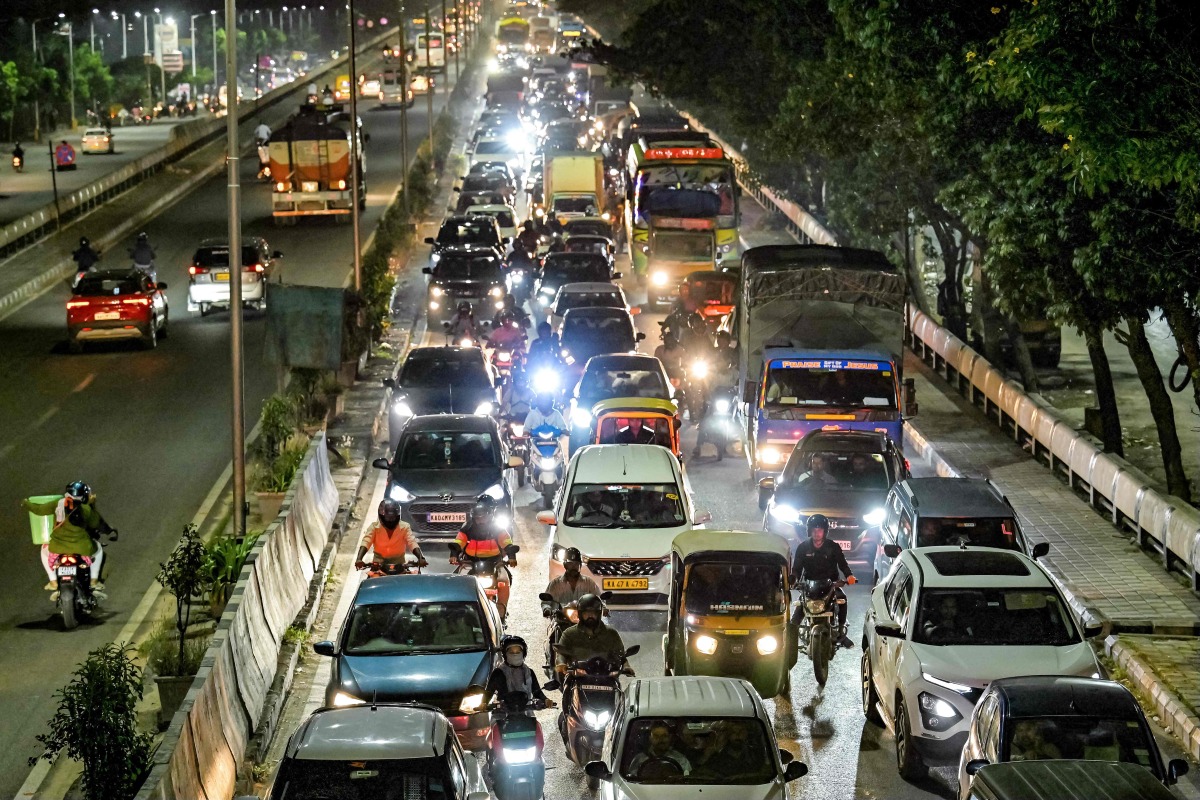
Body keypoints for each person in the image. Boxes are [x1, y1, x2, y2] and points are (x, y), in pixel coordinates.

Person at [22, 481, 115, 593]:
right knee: (98, 549)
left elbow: (39, 510)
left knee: (43, 550)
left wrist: (26, 503)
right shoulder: (86, 508)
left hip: (57, 547)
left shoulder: (58, 503)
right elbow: (96, 523)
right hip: (82, 548)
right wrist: (92, 504)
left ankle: (53, 581)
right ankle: (94, 581)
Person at [791, 513, 857, 649]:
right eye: (814, 530)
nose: (817, 533)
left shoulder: (833, 547)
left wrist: (849, 576)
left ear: (825, 531)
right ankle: (788, 644)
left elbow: (843, 564)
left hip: (831, 585)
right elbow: (796, 568)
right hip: (809, 586)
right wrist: (793, 579)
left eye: (820, 530)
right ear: (809, 531)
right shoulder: (803, 547)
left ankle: (841, 632)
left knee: (842, 599)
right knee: (795, 619)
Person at [453, 496, 515, 617]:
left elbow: (507, 543)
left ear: (490, 513)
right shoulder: (467, 528)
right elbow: (459, 542)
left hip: (495, 563)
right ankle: (459, 612)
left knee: (503, 581)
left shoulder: (498, 528)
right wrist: (454, 554)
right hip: (470, 562)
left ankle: (502, 612)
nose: (480, 520)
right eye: (478, 517)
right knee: (457, 582)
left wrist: (512, 557)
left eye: (483, 517)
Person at [555, 594, 627, 676]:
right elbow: (561, 653)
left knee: (617, 687)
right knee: (567, 683)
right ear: (580, 614)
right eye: (586, 613)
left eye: (593, 613)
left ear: (599, 614)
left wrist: (626, 667)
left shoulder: (611, 633)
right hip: (577, 675)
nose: (590, 616)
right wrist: (561, 664)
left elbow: (621, 654)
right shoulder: (569, 633)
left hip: (606, 676)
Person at [354, 498, 427, 572]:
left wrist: (420, 557)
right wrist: (359, 559)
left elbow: (412, 542)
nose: (390, 521)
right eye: (388, 518)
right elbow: (366, 542)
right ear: (381, 516)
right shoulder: (374, 527)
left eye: (392, 518)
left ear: (397, 516)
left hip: (400, 565)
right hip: (378, 565)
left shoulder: (405, 527)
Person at [483, 635, 554, 706]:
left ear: (523, 653)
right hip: (503, 714)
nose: (515, 655)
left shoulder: (529, 672)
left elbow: (536, 691)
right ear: (505, 654)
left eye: (518, 652)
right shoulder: (498, 673)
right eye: (511, 652)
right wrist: (483, 704)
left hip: (526, 711)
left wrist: (545, 700)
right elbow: (488, 693)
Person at [541, 547, 601, 616]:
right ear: (565, 565)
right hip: (561, 621)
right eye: (570, 564)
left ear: (580, 565)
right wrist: (547, 609)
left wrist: (603, 608)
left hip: (583, 622)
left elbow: (598, 598)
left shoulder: (589, 583)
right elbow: (546, 602)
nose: (573, 567)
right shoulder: (555, 584)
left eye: (576, 564)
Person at [626, 722, 692, 778]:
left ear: (670, 738)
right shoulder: (639, 759)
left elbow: (687, 780)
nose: (660, 739)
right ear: (650, 738)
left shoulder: (680, 759)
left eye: (664, 736)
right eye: (656, 736)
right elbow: (632, 780)